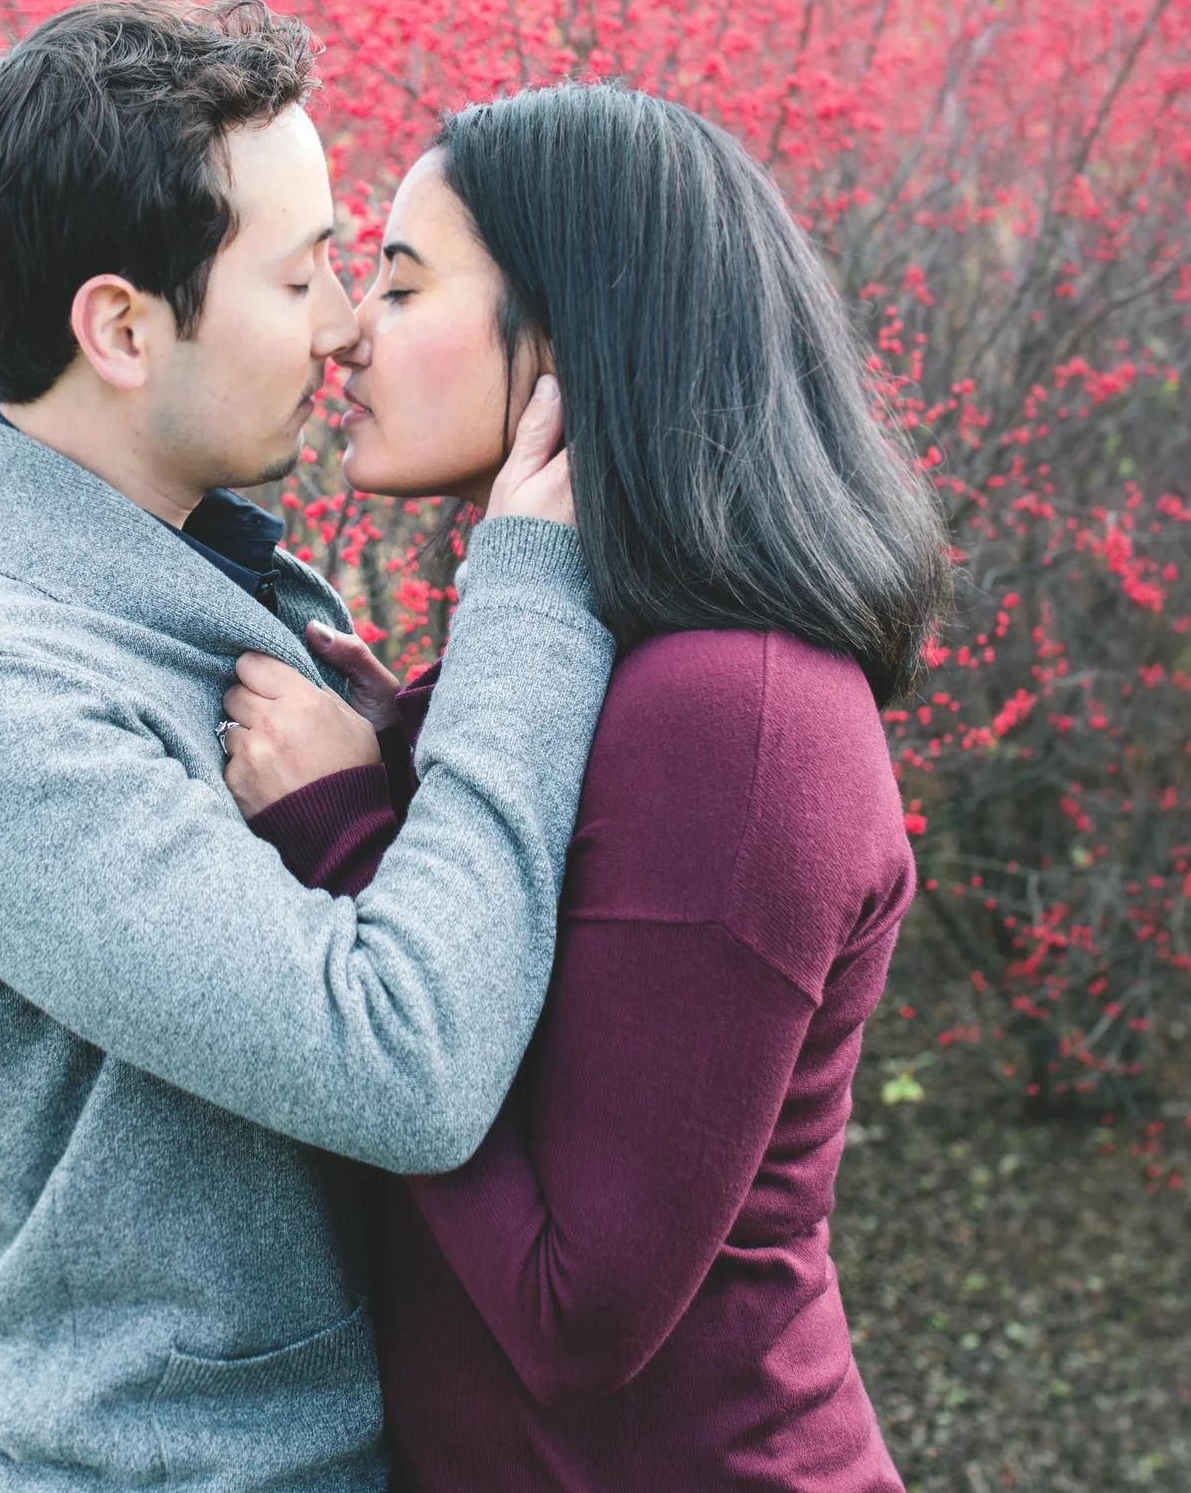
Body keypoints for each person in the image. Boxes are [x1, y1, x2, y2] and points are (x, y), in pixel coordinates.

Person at [0, 0, 614, 1492]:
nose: (340, 325)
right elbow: (410, 1069)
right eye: (303, 270)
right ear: (122, 328)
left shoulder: (188, 571)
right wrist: (528, 598)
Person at [222, 84, 949, 1490]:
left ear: (565, 335)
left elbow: (577, 1314)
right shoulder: (629, 680)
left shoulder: (738, 716)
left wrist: (351, 842)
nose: (349, 329)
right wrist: (414, 770)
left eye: (403, 279)